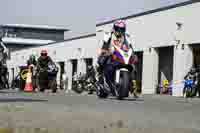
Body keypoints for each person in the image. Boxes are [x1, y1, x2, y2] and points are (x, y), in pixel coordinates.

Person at [96, 19, 137, 93]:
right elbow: (105, 44)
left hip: (120, 53)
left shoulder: (126, 35)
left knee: (132, 64)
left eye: (121, 29)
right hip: (110, 52)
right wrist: (104, 50)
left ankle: (132, 84)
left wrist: (133, 54)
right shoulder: (109, 34)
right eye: (117, 28)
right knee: (101, 60)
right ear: (114, 28)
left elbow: (130, 46)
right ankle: (100, 77)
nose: (119, 30)